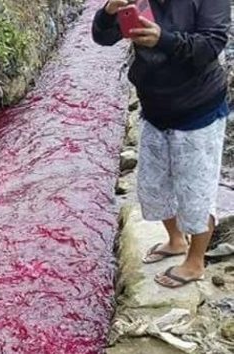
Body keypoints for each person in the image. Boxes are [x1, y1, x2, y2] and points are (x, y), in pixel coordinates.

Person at [92, 0, 231, 288]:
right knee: (153, 187)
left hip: (198, 109)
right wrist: (108, 11)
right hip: (154, 108)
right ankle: (176, 240)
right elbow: (102, 37)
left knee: (196, 193)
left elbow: (211, 44)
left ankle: (195, 263)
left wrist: (162, 39)